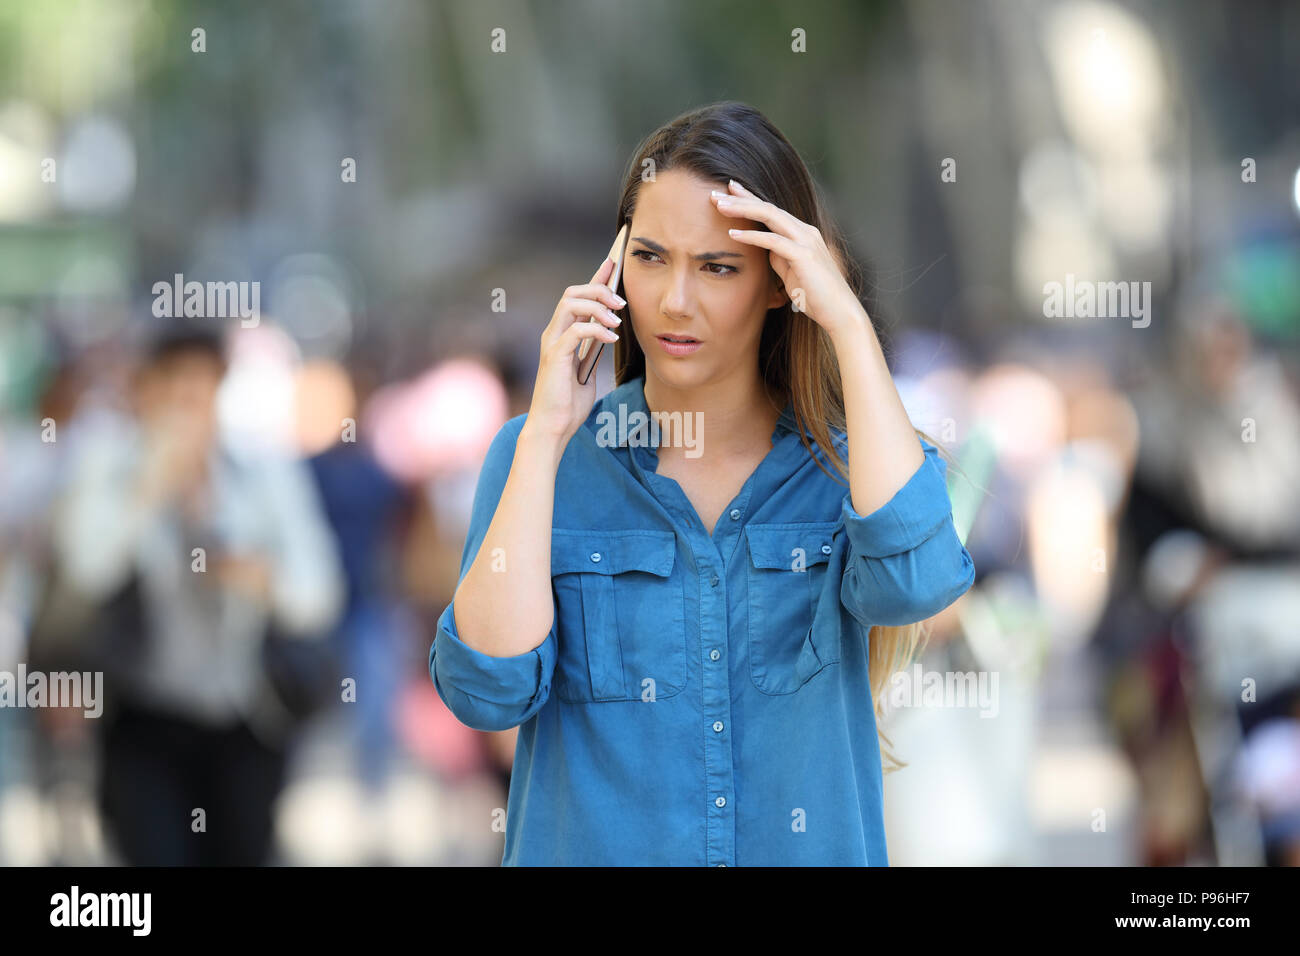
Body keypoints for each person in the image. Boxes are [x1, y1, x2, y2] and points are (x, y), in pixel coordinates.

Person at [429, 101, 975, 866]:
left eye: (717, 267)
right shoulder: (541, 461)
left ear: (781, 282)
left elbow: (916, 583)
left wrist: (846, 322)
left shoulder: (848, 470)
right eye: (650, 257)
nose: (673, 301)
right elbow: (485, 692)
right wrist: (548, 434)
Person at [53, 327, 344, 865]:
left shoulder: (264, 473)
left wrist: (263, 579)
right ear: (147, 391)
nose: (186, 406)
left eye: (200, 388)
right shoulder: (112, 467)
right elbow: (87, 572)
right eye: (172, 389)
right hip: (143, 716)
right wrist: (149, 487)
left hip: (246, 718)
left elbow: (318, 595)